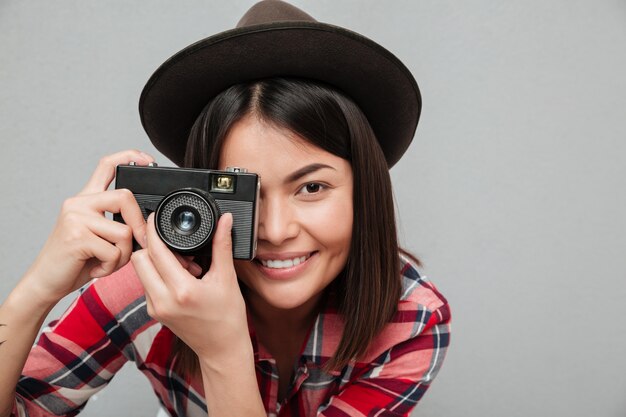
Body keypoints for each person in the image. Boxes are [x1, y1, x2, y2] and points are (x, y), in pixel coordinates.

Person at [0, 1, 451, 416]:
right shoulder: (147, 284)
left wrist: (221, 354)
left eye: (311, 187)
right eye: (243, 192)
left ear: (363, 190)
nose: (274, 230)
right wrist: (33, 293)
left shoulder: (411, 318)